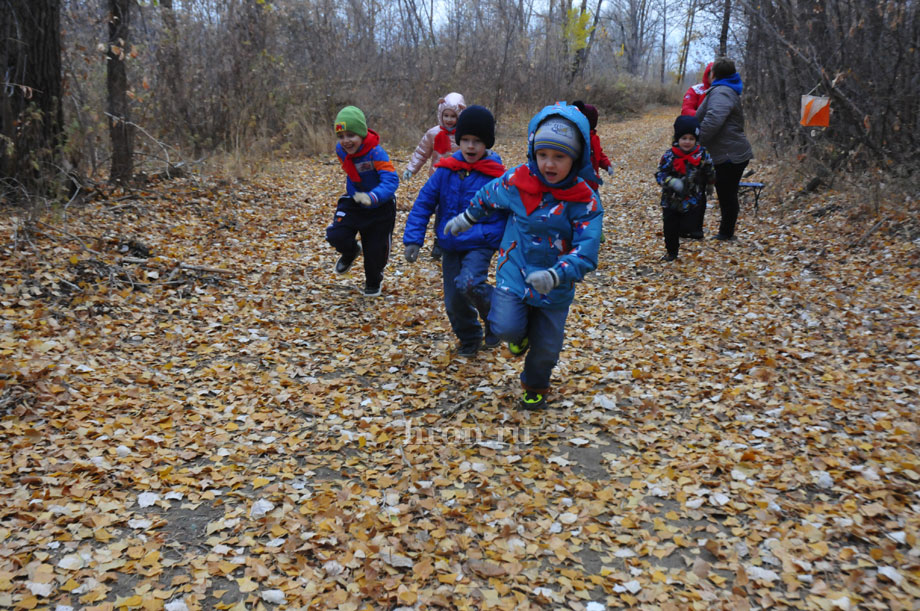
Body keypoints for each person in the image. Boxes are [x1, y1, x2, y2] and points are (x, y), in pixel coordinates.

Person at [443, 103, 603, 410]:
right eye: (543, 155)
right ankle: (519, 333)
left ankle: (535, 384)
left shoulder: (584, 201)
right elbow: (488, 195)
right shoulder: (519, 180)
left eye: (560, 156)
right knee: (505, 327)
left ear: (577, 157)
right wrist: (467, 218)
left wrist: (557, 274)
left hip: (556, 286)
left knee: (547, 349)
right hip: (514, 272)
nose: (549, 164)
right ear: (533, 153)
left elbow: (587, 250)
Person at [402, 106, 507, 356]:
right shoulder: (445, 171)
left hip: (480, 242)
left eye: (477, 141)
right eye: (466, 140)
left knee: (469, 283)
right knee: (453, 301)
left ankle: (497, 317)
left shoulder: (496, 177)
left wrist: (505, 242)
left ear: (487, 144)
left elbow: (509, 211)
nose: (471, 147)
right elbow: (424, 202)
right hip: (450, 244)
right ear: (458, 140)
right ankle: (470, 338)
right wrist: (413, 239)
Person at [325, 105, 399, 296]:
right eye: (341, 137)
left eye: (351, 135)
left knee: (375, 251)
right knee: (336, 234)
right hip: (355, 201)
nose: (345, 141)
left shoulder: (376, 153)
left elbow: (391, 179)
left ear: (362, 134)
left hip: (380, 206)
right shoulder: (341, 151)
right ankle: (350, 251)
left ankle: (373, 282)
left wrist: (373, 196)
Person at [403, 92, 468, 260]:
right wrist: (412, 168)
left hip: (459, 180)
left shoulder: (464, 135)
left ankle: (448, 239)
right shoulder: (433, 133)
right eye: (445, 115)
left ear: (459, 116)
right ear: (440, 114)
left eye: (453, 116)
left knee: (450, 209)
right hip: (437, 180)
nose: (449, 120)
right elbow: (421, 152)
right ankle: (438, 240)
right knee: (437, 209)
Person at [695, 57, 753, 241]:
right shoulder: (727, 89)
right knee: (726, 193)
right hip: (729, 152)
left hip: (729, 154)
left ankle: (725, 234)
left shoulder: (721, 92)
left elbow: (714, 119)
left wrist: (696, 141)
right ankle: (722, 232)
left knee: (726, 194)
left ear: (714, 74)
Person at [655, 116, 715, 261]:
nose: (687, 142)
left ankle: (690, 230)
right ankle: (672, 252)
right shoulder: (670, 155)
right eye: (684, 138)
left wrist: (710, 184)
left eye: (691, 138)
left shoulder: (702, 154)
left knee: (688, 225)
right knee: (670, 227)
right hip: (671, 199)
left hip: (692, 198)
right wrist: (670, 181)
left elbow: (709, 169)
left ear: (696, 140)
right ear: (677, 139)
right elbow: (660, 174)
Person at [680, 62, 713, 238]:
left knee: (700, 186)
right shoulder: (697, 90)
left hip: (711, 143)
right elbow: (686, 109)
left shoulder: (721, 92)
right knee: (686, 183)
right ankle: (683, 226)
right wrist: (702, 119)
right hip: (693, 139)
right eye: (710, 74)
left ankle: (696, 227)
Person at [572, 100, 614, 191]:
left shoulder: (594, 138)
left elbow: (599, 154)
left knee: (596, 203)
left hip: (593, 184)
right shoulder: (577, 138)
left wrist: (607, 165)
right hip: (579, 185)